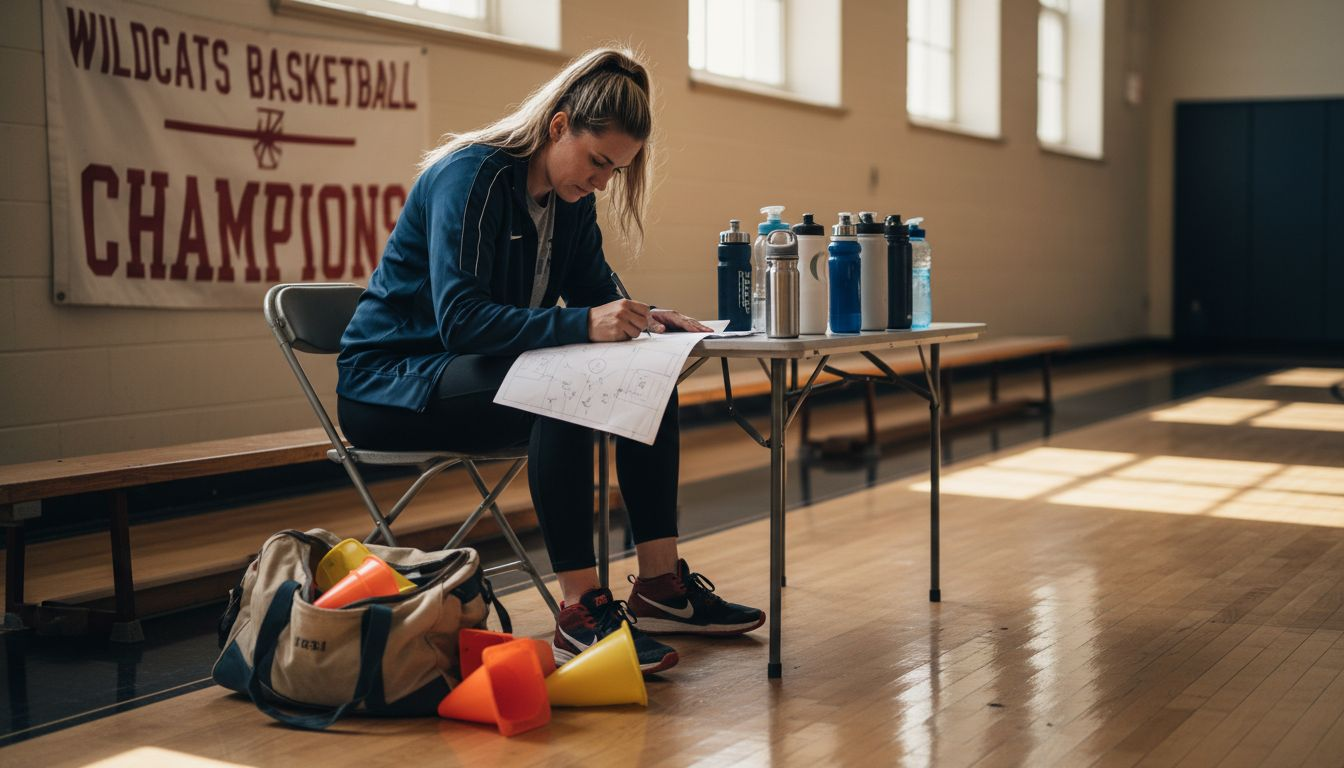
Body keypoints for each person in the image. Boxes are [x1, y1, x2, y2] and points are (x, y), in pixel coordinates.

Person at [336, 47, 764, 674]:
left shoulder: (571, 198)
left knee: (648, 376)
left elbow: (595, 294)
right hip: (391, 383)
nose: (602, 182)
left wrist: (647, 320)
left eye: (616, 170)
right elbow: (461, 322)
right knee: (563, 390)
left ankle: (660, 588)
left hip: (467, 375)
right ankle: (580, 611)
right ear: (559, 126)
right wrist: (587, 323)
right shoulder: (471, 176)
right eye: (598, 162)